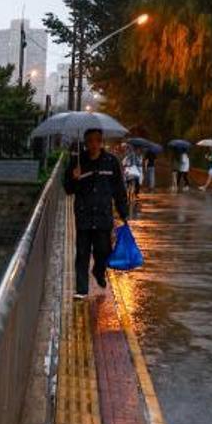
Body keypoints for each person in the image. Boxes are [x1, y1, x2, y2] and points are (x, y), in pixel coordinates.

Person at [64, 128, 130, 299]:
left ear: (101, 142)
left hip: (103, 216)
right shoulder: (77, 162)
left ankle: (98, 272)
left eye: (96, 141)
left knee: (104, 251)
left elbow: (119, 189)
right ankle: (81, 289)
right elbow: (68, 189)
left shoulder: (111, 162)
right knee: (82, 253)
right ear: (85, 143)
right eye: (89, 141)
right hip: (84, 215)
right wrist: (74, 178)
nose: (93, 145)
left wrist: (123, 213)